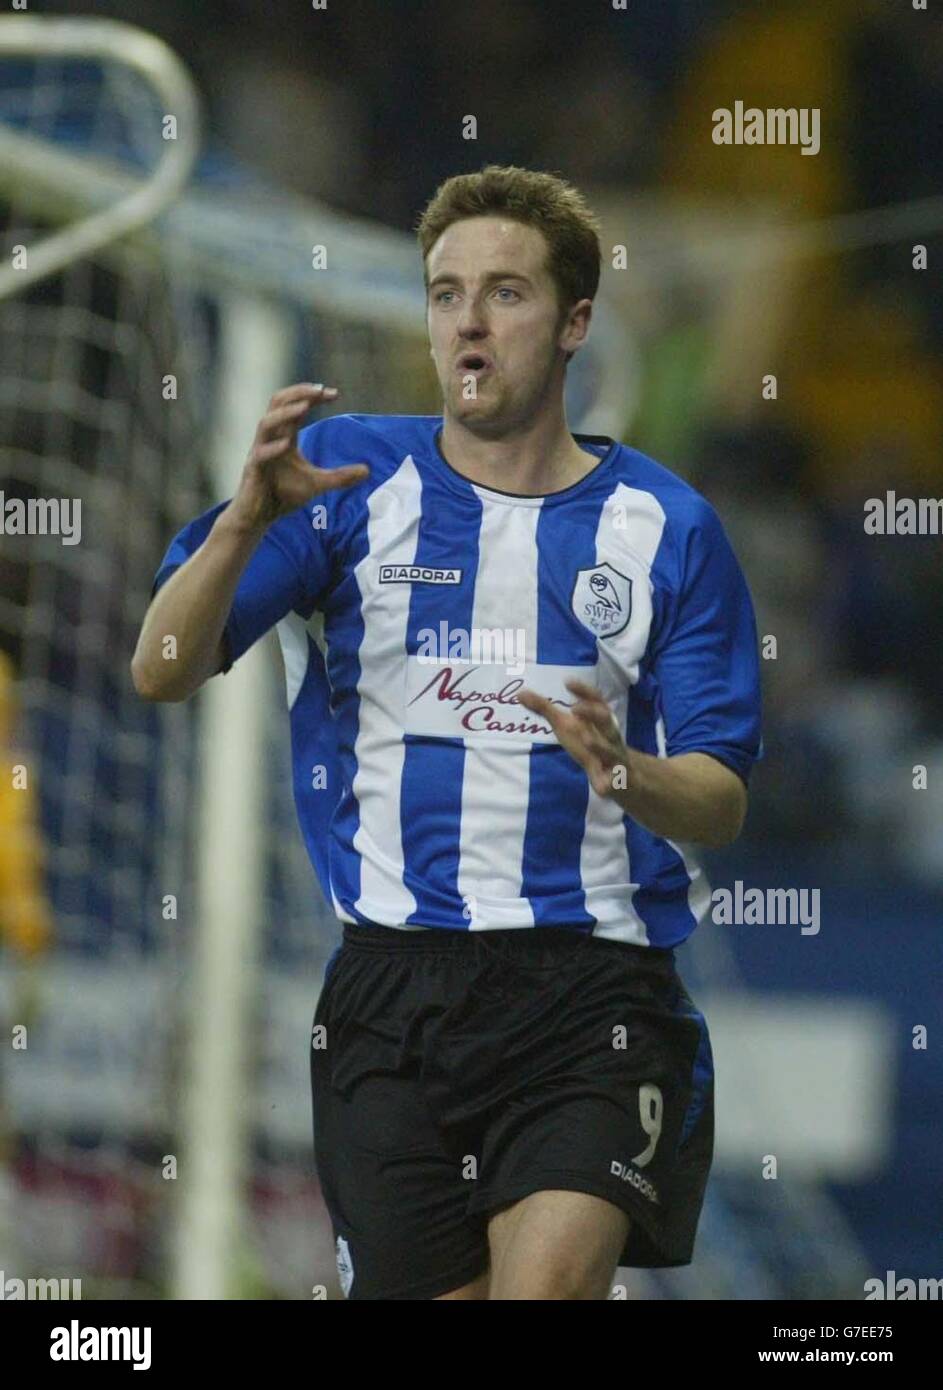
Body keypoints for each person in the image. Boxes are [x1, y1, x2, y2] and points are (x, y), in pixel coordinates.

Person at [131, 165, 762, 1301]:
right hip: (388, 1000)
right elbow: (161, 669)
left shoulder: (665, 526)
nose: (467, 320)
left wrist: (629, 773)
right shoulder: (348, 480)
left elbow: (719, 794)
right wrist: (238, 526)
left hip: (593, 994)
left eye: (506, 292)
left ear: (574, 324)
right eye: (444, 292)